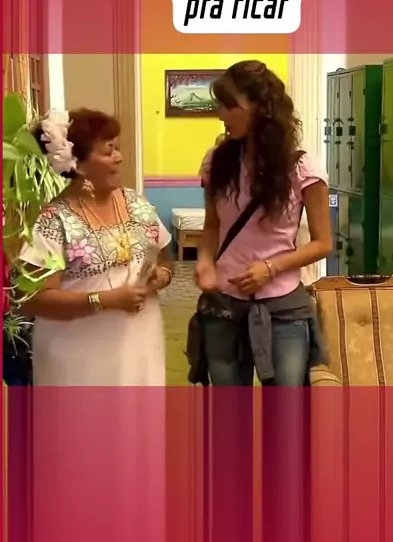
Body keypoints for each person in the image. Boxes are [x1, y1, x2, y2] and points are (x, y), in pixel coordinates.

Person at [194, 59, 332, 386]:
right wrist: (204, 262)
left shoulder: (302, 168)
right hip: (225, 306)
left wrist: (270, 268)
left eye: (230, 106)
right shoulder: (218, 162)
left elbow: (324, 243)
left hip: (283, 308)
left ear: (261, 108)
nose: (221, 115)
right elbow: (212, 226)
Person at [19, 108, 172, 386]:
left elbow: (164, 257)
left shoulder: (136, 203)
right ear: (78, 164)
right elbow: (33, 299)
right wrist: (104, 300)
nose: (119, 157)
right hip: (79, 356)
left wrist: (162, 274)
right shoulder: (54, 220)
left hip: (139, 346)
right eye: (109, 150)